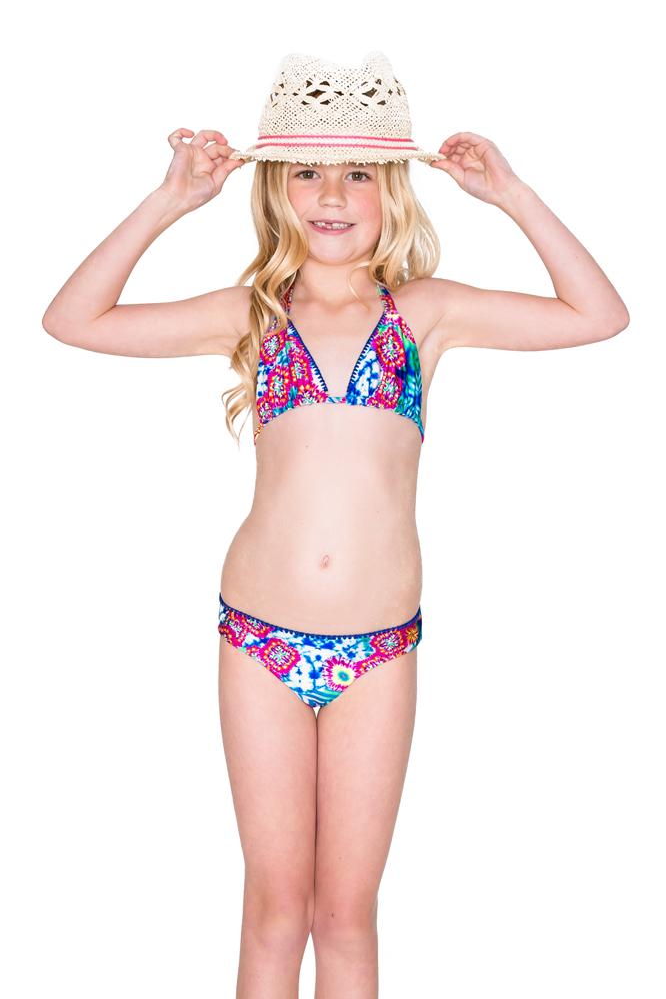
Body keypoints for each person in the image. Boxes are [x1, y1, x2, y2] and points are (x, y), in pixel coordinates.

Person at [42, 50, 629, 999]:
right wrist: (169, 202)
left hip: (378, 652)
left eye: (358, 171)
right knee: (276, 911)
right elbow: (72, 320)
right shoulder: (252, 315)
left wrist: (512, 196)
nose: (330, 194)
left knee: (346, 917)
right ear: (274, 188)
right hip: (260, 642)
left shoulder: (425, 314)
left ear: (392, 189)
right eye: (307, 171)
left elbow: (598, 315)